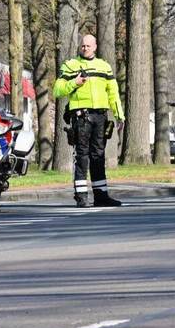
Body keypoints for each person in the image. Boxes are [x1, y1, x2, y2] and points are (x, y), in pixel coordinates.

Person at [53, 34, 125, 207]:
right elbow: (57, 90)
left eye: (88, 45)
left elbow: (113, 93)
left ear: (95, 46)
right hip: (81, 117)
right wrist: (75, 83)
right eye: (83, 45)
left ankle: (101, 196)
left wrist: (119, 115)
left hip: (100, 116)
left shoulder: (104, 67)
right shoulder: (71, 66)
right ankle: (81, 196)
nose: (85, 48)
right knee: (82, 156)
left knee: (98, 156)